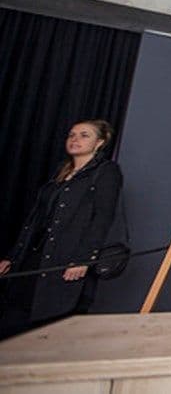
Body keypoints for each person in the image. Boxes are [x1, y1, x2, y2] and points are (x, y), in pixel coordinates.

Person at [0, 119, 122, 339]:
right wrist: (13, 256)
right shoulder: (61, 172)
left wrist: (83, 259)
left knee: (49, 328)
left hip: (65, 261)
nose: (75, 139)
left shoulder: (106, 172)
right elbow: (35, 220)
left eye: (84, 135)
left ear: (99, 143)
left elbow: (103, 218)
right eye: (71, 135)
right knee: (13, 322)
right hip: (35, 259)